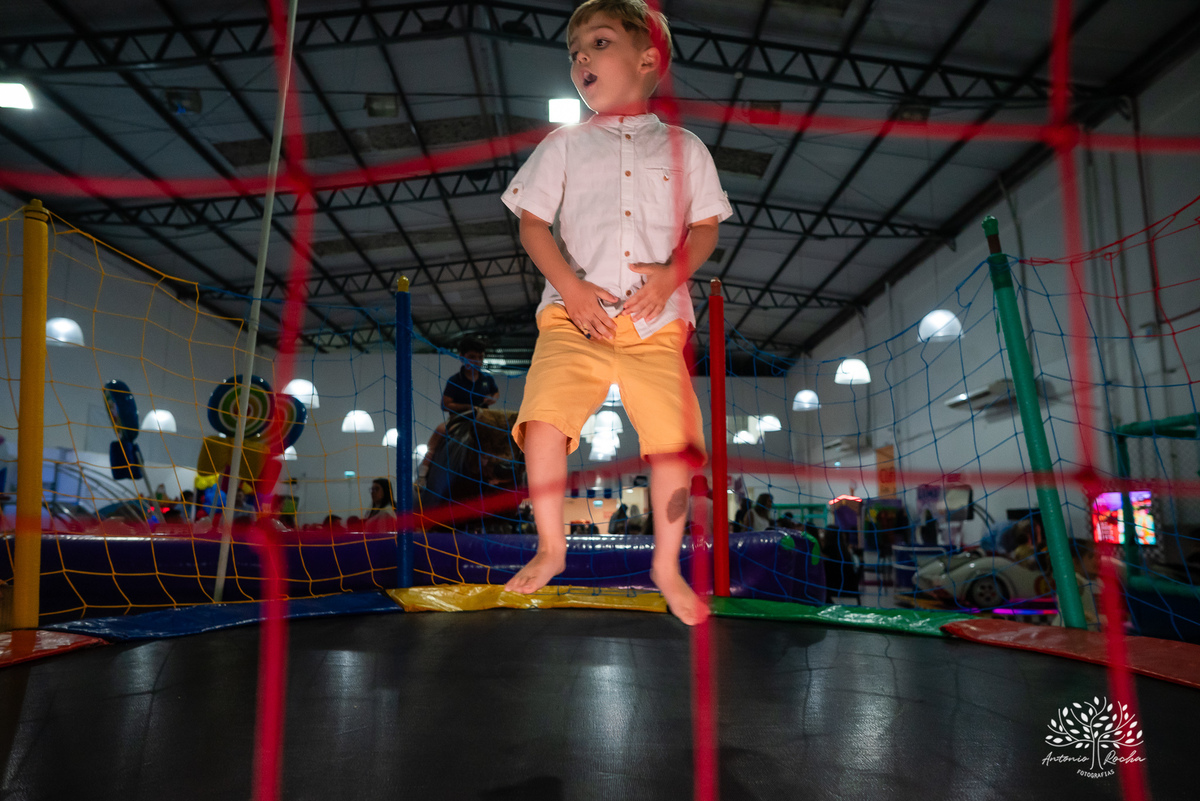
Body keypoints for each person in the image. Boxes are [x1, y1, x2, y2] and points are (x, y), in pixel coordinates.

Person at [498, 0, 731, 626]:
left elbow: (704, 229)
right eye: (574, 51)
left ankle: (665, 565)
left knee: (674, 446)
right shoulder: (564, 145)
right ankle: (552, 547)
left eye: (597, 43)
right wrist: (571, 288)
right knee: (543, 419)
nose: (580, 58)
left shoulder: (686, 149)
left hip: (656, 325)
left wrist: (674, 274)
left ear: (648, 58)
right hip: (575, 317)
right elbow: (532, 224)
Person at [441, 337, 499, 418]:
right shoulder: (455, 380)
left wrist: (493, 398)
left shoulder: (488, 378)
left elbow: (496, 393)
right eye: (472, 357)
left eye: (480, 357)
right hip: (459, 419)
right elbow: (445, 405)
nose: (477, 361)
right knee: (439, 430)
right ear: (462, 357)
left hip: (483, 419)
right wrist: (468, 407)